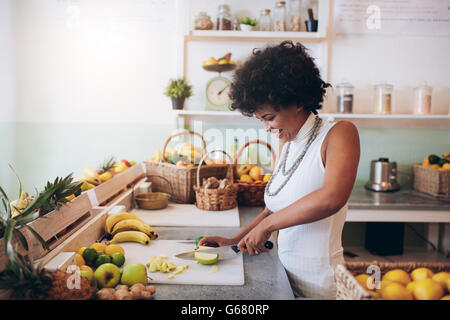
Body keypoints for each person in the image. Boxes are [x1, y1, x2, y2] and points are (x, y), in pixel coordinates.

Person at [199, 41, 360, 299]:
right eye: (260, 119)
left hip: (322, 287)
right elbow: (272, 209)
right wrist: (234, 241)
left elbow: (332, 198)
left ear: (296, 101)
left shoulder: (339, 133)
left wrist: (268, 226)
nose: (266, 127)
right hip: (285, 281)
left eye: (269, 118)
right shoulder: (287, 145)